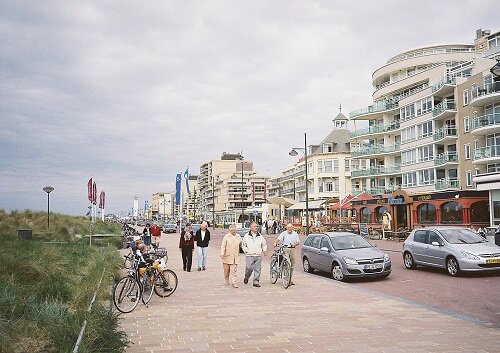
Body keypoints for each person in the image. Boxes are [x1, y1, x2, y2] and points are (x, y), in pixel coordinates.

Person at [242, 222, 267, 287]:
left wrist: (264, 250)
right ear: (251, 228)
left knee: (258, 269)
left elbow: (264, 244)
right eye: (254, 226)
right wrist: (246, 250)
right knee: (249, 268)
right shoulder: (246, 236)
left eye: (256, 226)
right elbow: (243, 245)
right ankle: (247, 277)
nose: (256, 228)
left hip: (258, 255)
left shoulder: (260, 236)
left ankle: (256, 281)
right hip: (249, 255)